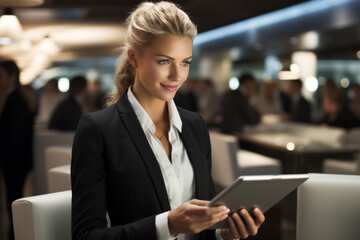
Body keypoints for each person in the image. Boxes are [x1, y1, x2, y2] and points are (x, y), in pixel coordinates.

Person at [71, 2, 265, 240]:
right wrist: (168, 225)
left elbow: (203, 228)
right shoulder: (98, 130)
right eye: (164, 61)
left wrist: (224, 234)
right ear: (134, 58)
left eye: (185, 62)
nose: (177, 75)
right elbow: (86, 236)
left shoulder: (195, 126)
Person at [0, 60, 35, 240]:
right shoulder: (16, 99)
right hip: (17, 162)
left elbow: (14, 137)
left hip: (15, 162)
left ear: (12, 77)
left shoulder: (15, 101)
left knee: (13, 202)